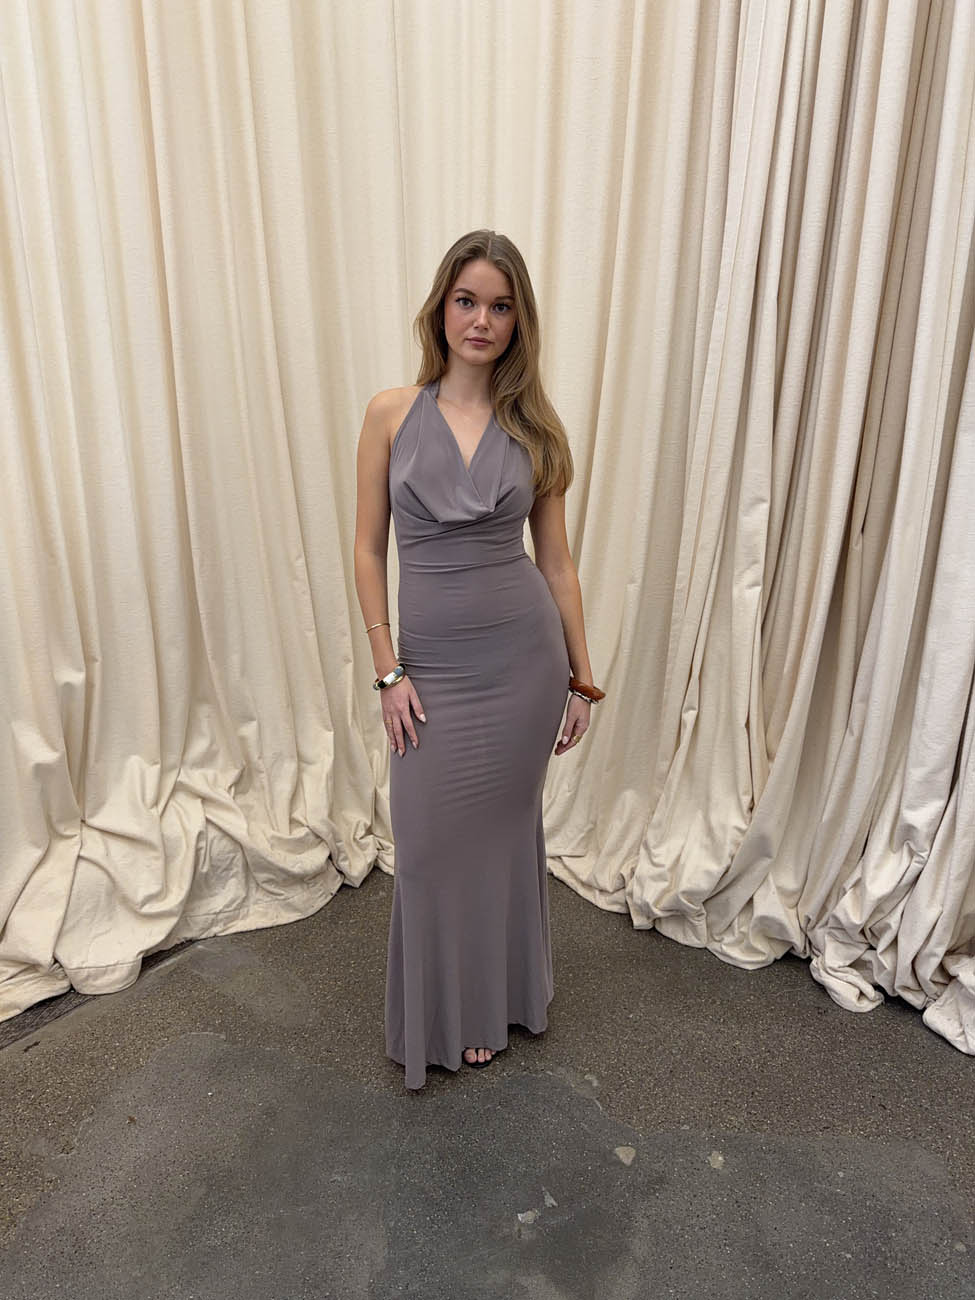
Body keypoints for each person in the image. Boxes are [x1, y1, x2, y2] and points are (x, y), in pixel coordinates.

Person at [353, 229, 605, 1090]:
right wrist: (388, 671)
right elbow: (367, 550)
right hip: (430, 670)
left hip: (521, 666)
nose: (481, 320)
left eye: (500, 306)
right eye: (467, 301)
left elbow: (558, 565)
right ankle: (444, 1010)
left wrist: (580, 678)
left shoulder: (535, 431)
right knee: (426, 847)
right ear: (441, 308)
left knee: (498, 840)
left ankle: (493, 1004)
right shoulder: (391, 413)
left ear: (517, 321)